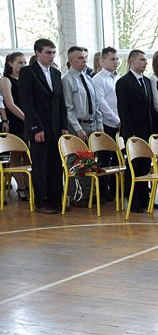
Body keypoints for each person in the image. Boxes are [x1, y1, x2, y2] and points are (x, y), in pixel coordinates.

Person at [19, 38, 68, 214]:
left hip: (55, 127)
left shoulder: (55, 73)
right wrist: (35, 128)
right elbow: (27, 103)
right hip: (38, 127)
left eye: (54, 53)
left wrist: (63, 126)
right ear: (38, 53)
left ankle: (56, 199)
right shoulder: (28, 72)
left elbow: (60, 102)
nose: (51, 56)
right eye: (48, 52)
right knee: (41, 165)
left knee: (55, 165)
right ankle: (41, 202)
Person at [117, 49, 158, 212]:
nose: (145, 62)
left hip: (147, 131)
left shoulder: (147, 81)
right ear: (132, 61)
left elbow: (150, 109)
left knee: (145, 166)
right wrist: (129, 134)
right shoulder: (124, 82)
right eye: (142, 60)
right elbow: (124, 110)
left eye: (145, 60)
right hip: (133, 132)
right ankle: (133, 200)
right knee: (133, 166)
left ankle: (145, 198)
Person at [62, 46, 104, 207]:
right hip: (77, 125)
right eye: (80, 58)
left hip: (92, 123)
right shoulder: (67, 79)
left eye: (85, 57)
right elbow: (68, 108)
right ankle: (74, 195)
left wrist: (100, 126)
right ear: (71, 60)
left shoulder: (88, 78)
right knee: (75, 161)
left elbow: (96, 104)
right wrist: (77, 128)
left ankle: (87, 193)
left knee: (89, 161)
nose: (84, 61)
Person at [92, 46, 121, 201]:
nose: (115, 62)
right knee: (104, 159)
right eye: (112, 59)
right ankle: (103, 192)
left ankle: (117, 190)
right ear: (102, 61)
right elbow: (101, 104)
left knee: (118, 158)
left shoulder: (118, 77)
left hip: (119, 123)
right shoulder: (98, 79)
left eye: (117, 59)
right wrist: (117, 120)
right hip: (107, 124)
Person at [0, 52, 29, 202]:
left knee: (28, 155)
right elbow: (10, 104)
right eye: (20, 62)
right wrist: (26, 118)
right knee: (17, 155)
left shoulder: (25, 79)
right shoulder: (6, 80)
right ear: (10, 63)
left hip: (27, 120)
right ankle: (21, 188)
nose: (23, 65)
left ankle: (29, 185)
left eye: (25, 62)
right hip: (16, 121)